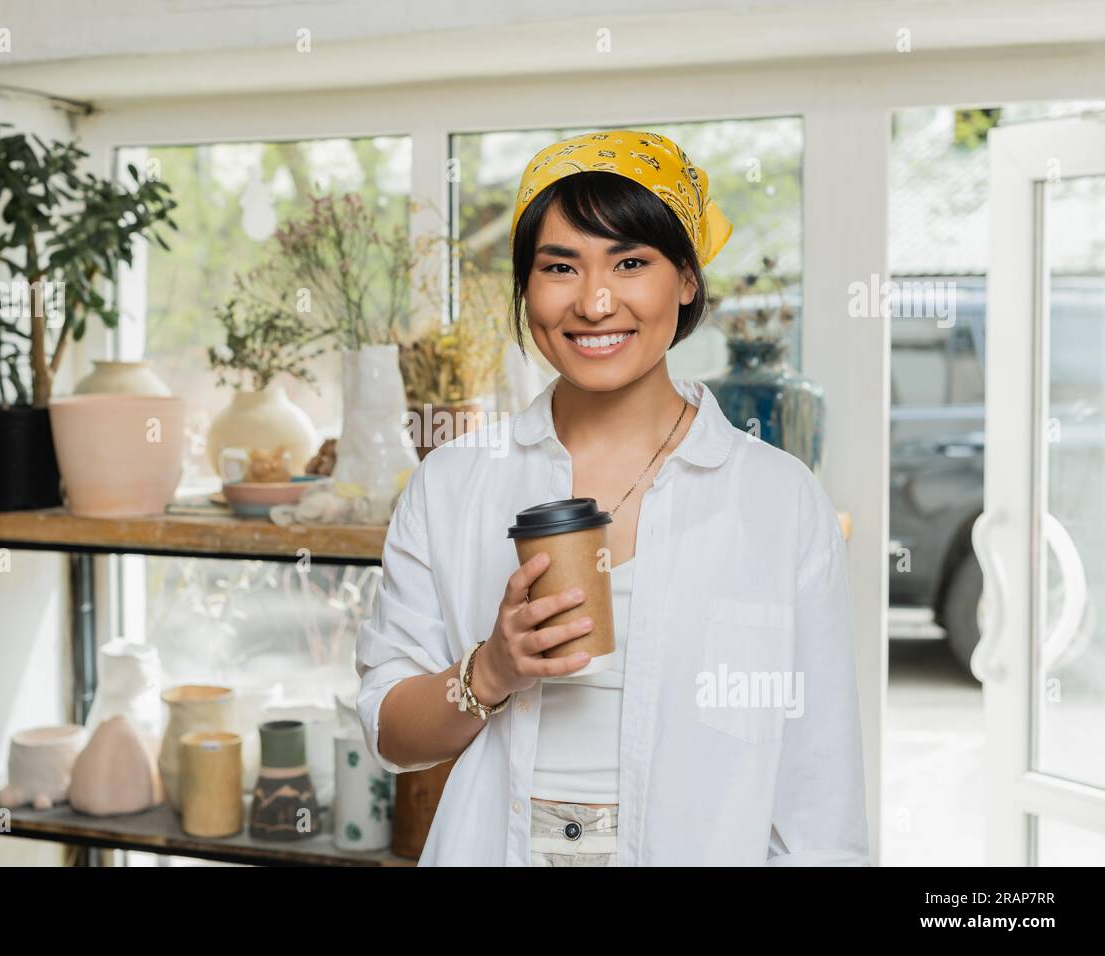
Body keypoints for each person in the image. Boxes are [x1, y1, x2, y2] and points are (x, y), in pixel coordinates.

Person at [355, 129, 870, 866]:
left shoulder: (779, 501)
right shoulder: (453, 483)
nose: (595, 302)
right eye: (559, 266)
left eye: (631, 263)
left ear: (686, 280)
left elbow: (821, 800)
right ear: (527, 289)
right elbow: (388, 734)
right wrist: (493, 669)